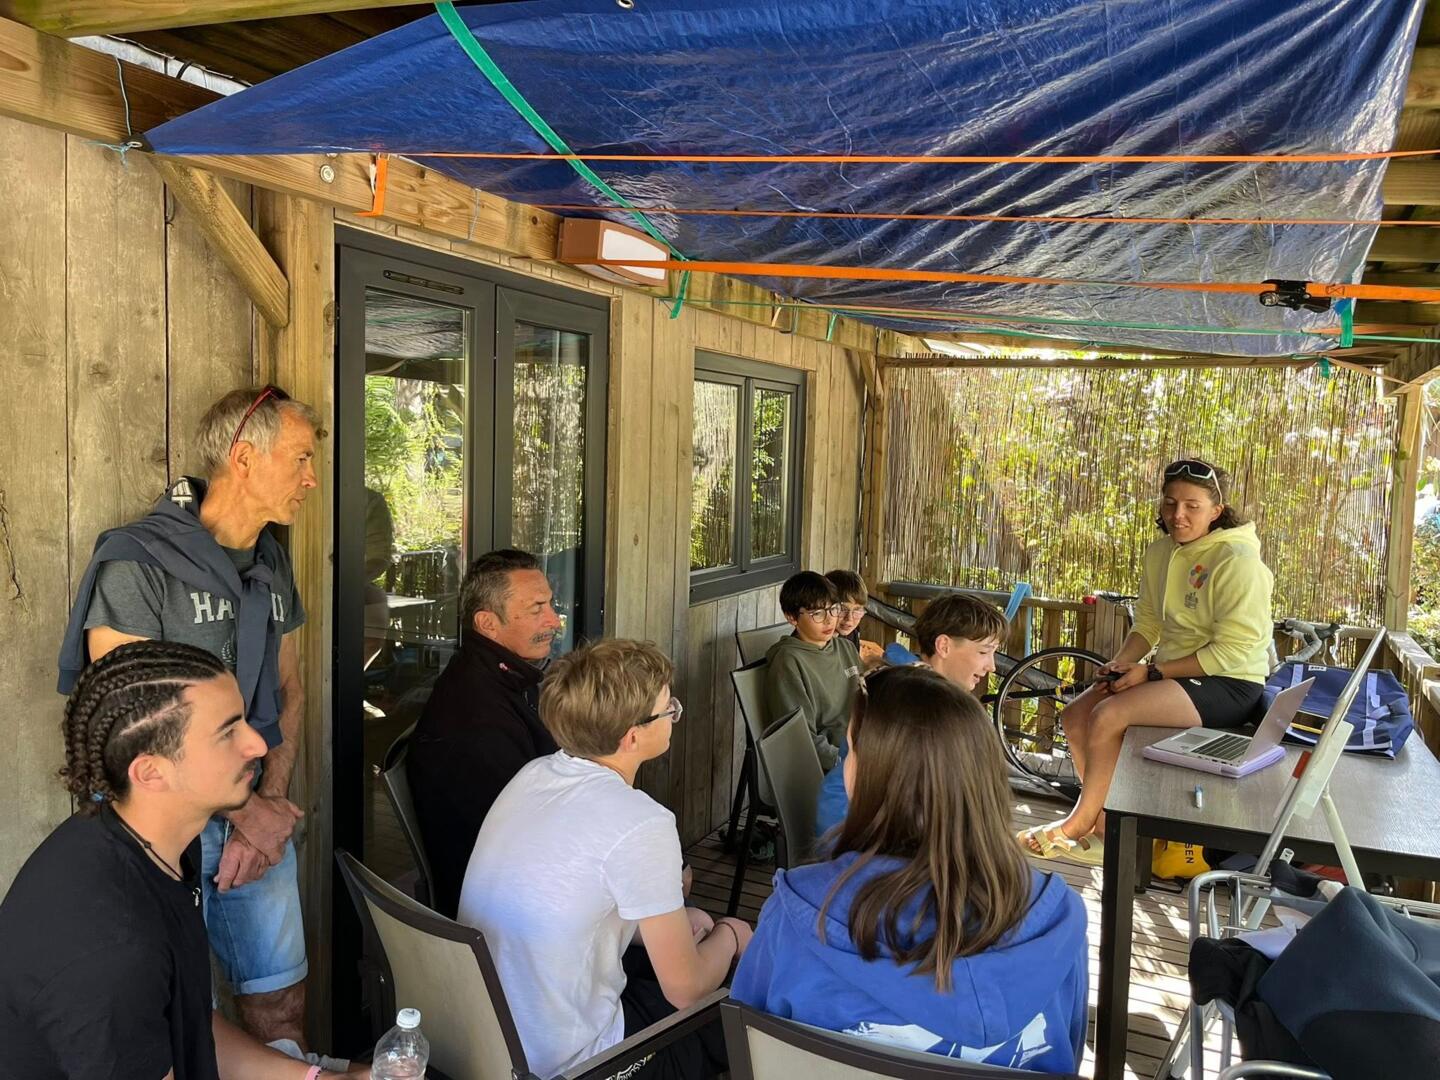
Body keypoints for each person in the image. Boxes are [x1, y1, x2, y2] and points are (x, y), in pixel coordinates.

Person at [56, 385, 320, 1043]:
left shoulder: (272, 561)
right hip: (158, 829)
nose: (312, 479)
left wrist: (268, 801)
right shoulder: (138, 563)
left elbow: (290, 689)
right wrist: (247, 812)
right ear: (244, 458)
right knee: (173, 1016)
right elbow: (130, 722)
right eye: (301, 459)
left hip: (256, 813)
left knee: (282, 1004)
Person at [0, 640, 368, 1080]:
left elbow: (188, 1025)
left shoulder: (159, 843)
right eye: (228, 732)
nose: (257, 744)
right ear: (151, 772)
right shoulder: (112, 949)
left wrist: (320, 1079)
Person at [731, 666, 1088, 1073]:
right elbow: (1068, 1054)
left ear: (870, 777)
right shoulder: (1058, 922)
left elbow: (749, 1043)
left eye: (850, 752)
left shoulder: (794, 915)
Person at [458, 640, 750, 1079]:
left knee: (681, 941)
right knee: (739, 1007)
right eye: (668, 709)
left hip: (492, 1036)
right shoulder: (641, 822)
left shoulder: (534, 774)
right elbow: (686, 989)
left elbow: (567, 899)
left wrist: (665, 925)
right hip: (571, 1063)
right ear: (632, 737)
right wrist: (731, 934)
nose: (674, 714)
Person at [1019, 458, 1274, 865]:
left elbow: (1231, 652)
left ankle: (1081, 823)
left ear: (1216, 511)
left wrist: (1153, 671)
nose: (1178, 514)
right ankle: (1105, 828)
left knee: (1109, 715)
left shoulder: (1238, 561)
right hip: (1171, 675)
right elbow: (1149, 624)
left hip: (1230, 682)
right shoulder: (1161, 552)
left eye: (1192, 505)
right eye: (1170, 503)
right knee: (1076, 715)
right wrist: (1120, 664)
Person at [407, 548, 564, 917]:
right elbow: (525, 836)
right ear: (488, 623)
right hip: (507, 909)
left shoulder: (499, 678)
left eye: (550, 604)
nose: (554, 621)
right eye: (537, 609)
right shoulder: (477, 714)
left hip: (521, 881)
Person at [816, 592, 1006, 835]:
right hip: (851, 831)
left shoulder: (926, 693)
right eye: (983, 652)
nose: (991, 666)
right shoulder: (902, 702)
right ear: (944, 646)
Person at [765, 571, 863, 772]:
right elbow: (800, 736)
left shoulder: (845, 648)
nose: (829, 620)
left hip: (865, 744)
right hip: (832, 763)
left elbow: (866, 701)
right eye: (817, 613)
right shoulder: (788, 662)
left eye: (833, 609)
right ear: (792, 617)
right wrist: (846, 762)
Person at [825, 569, 883, 669]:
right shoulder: (818, 641)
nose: (849, 619)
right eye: (842, 609)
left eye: (857, 610)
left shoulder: (852, 636)